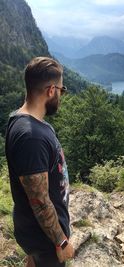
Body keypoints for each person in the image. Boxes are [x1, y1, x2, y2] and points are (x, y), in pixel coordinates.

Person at [5, 57, 74, 267]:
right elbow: (40, 202)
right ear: (51, 90)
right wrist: (61, 242)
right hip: (47, 240)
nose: (60, 96)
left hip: (37, 237)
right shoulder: (31, 137)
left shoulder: (24, 121)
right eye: (61, 91)